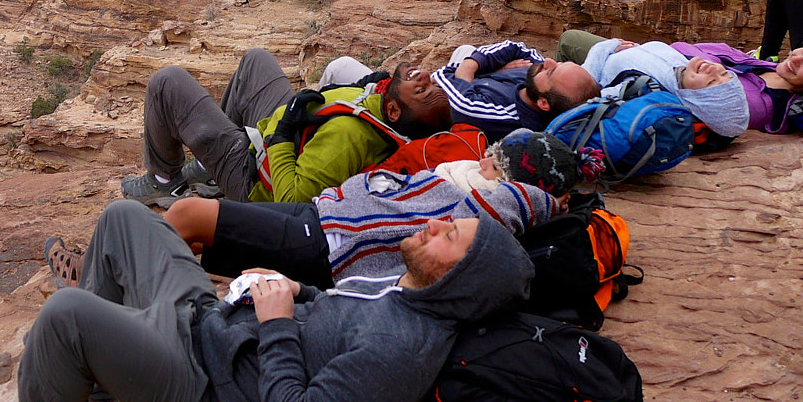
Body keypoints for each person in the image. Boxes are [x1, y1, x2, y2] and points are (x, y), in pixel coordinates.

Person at [0, 198, 531, 402]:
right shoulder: (404, 287)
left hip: (206, 397)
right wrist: (287, 287)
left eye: (448, 235)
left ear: (460, 281)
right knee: (123, 219)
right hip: (207, 328)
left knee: (65, 318)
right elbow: (330, 308)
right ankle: (103, 380)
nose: (433, 224)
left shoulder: (402, 351)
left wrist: (277, 323)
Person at [159, 129, 575, 288]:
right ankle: (125, 291)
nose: (485, 161)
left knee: (186, 215)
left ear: (515, 180)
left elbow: (518, 203)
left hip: (334, 246)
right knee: (195, 233)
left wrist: (546, 199)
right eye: (493, 153)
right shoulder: (468, 182)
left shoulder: (495, 206)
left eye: (497, 163)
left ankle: (118, 315)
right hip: (324, 218)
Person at [121, 48, 450, 206]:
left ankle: (165, 181)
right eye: (429, 82)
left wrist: (280, 139)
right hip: (280, 137)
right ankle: (210, 169)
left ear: (394, 111)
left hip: (254, 179)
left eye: (420, 90)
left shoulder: (349, 138)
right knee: (257, 61)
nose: (422, 77)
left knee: (168, 82)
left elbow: (291, 200)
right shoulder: (379, 103)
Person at [557, 31, 752, 138]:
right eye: (724, 73)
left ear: (696, 102)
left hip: (600, 60)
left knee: (569, 39)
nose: (714, 70)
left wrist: (605, 47)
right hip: (620, 49)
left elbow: (587, 94)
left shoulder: (645, 91)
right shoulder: (686, 71)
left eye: (711, 82)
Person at [670, 38, 803, 133]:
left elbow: (696, 82)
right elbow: (684, 47)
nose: (797, 58)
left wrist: (704, 62)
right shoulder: (769, 67)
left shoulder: (761, 106)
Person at [432, 40, 600, 141]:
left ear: (543, 103)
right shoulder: (536, 82)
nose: (548, 60)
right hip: (473, 83)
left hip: (442, 99)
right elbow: (517, 48)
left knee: (462, 57)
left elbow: (445, 76)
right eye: (561, 63)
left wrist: (471, 68)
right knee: (467, 51)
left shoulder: (505, 116)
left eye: (550, 72)